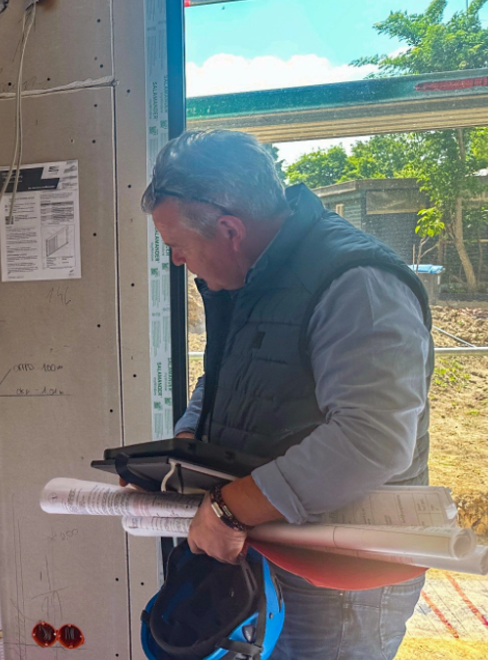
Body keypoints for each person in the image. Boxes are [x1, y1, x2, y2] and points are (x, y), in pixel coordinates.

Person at [140, 129, 433, 660]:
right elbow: (226, 373)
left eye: (177, 246)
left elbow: (370, 439)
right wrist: (187, 444)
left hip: (338, 577)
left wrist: (230, 511)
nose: (178, 261)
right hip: (278, 546)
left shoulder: (355, 282)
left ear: (230, 229)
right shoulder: (255, 277)